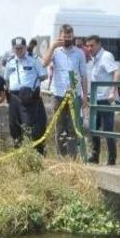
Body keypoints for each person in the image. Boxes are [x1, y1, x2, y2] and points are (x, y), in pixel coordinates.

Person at [42, 23, 89, 156]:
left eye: (70, 36)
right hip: (58, 94)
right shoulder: (55, 51)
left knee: (73, 126)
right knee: (59, 126)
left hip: (75, 95)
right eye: (65, 36)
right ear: (60, 37)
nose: (67, 39)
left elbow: (84, 75)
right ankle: (60, 156)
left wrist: (85, 96)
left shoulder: (79, 53)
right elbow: (44, 63)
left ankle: (72, 157)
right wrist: (52, 46)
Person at [4, 36, 47, 153]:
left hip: (29, 98)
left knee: (30, 127)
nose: (19, 51)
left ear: (25, 47)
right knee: (14, 127)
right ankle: (19, 153)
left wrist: (33, 86)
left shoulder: (34, 60)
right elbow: (6, 79)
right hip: (14, 97)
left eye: (21, 48)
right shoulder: (10, 61)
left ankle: (35, 153)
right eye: (16, 48)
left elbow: (44, 75)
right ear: (13, 49)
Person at [86, 34, 120, 165]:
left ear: (99, 44)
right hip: (96, 99)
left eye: (92, 45)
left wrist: (113, 91)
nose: (89, 48)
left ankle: (112, 159)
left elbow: (116, 72)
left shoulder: (106, 56)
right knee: (93, 128)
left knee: (107, 130)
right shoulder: (95, 58)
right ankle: (95, 156)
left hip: (105, 99)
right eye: (88, 46)